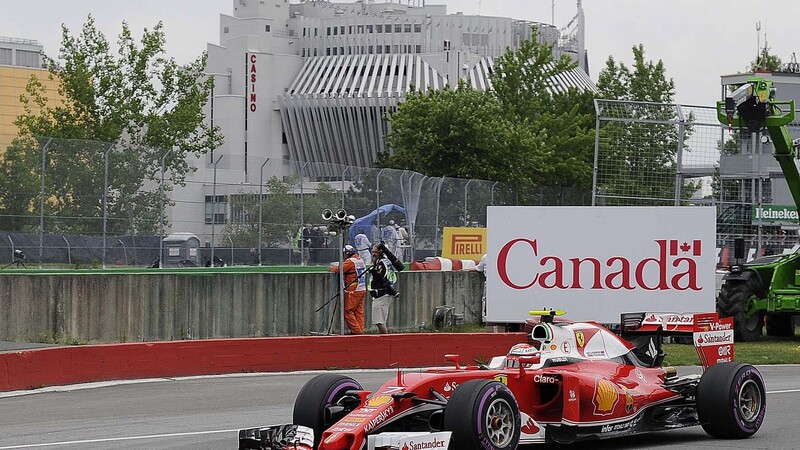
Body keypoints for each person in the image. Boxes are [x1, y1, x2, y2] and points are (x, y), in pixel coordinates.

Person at [329, 245, 367, 335]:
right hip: (362, 289)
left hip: (353, 289)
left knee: (348, 312)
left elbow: (339, 269)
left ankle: (357, 331)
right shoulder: (360, 260)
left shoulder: (350, 261)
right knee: (359, 312)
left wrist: (331, 268)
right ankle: (361, 330)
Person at [368, 242, 404, 334]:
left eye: (375, 252)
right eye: (372, 252)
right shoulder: (385, 262)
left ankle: (386, 340)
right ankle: (384, 340)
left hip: (382, 295)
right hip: (382, 295)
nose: (373, 254)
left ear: (380, 252)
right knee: (380, 321)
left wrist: (373, 270)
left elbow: (381, 278)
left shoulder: (382, 263)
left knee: (379, 321)